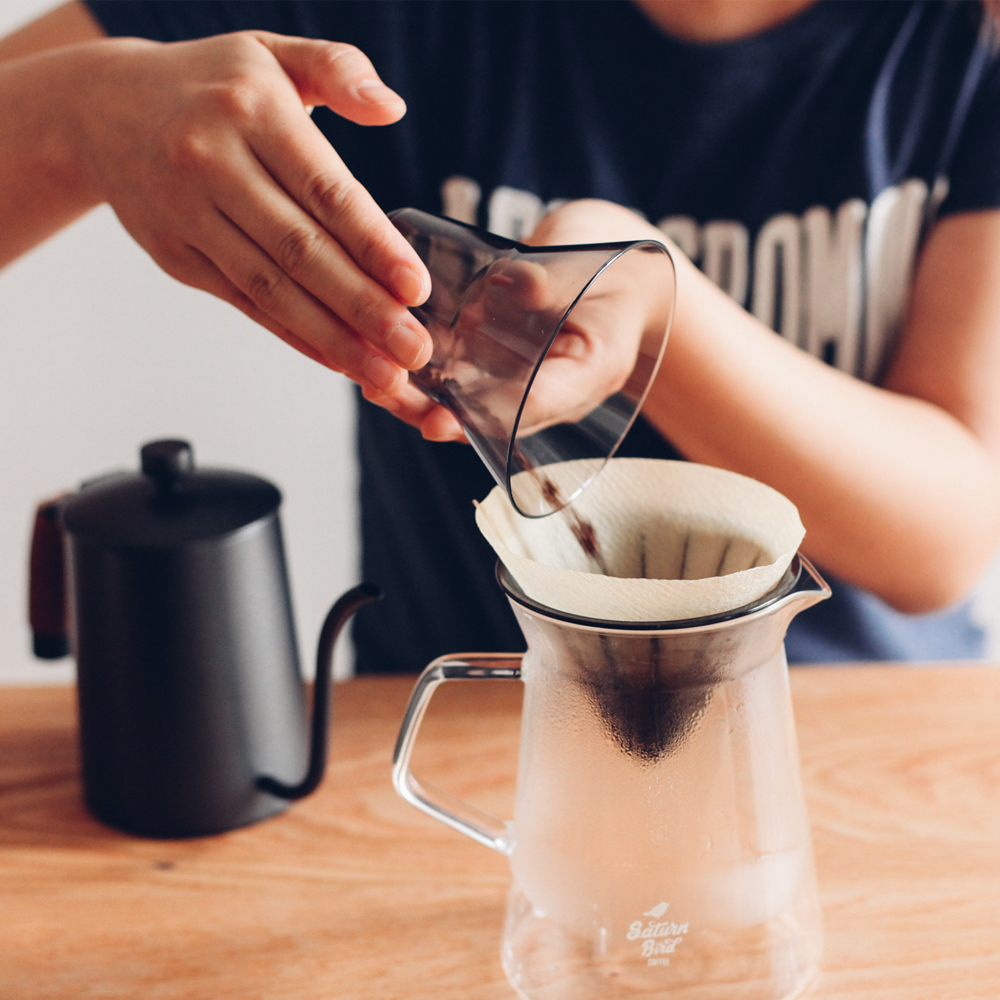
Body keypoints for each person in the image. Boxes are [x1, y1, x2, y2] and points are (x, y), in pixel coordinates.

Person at [2, 0, 999, 671]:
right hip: (457, 731)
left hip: (857, 737)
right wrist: (78, 112)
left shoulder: (967, 49)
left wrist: (656, 309)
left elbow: (946, 538)